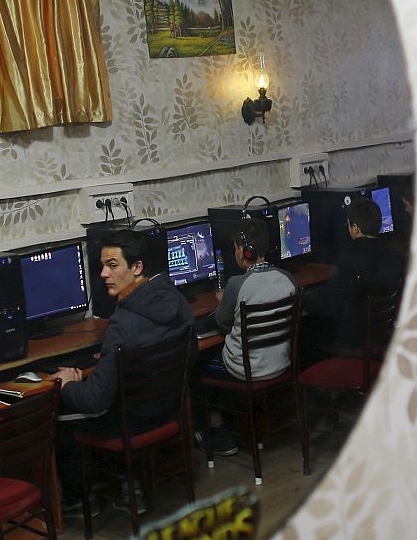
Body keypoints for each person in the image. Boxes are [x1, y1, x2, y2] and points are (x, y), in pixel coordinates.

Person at [50, 231, 194, 506]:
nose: (103, 273)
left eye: (112, 265)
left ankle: (77, 502)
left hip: (133, 423)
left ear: (137, 267)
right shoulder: (178, 301)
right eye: (102, 265)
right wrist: (110, 358)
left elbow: (94, 400)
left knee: (60, 413)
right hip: (168, 410)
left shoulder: (123, 323)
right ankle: (132, 482)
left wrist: (68, 384)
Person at [195, 217, 297, 454]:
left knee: (196, 361)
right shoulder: (287, 278)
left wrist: (223, 300)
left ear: (243, 251)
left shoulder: (236, 284)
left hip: (247, 370)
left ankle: (217, 433)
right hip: (281, 364)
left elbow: (222, 322)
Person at [302, 195, 405, 359]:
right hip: (385, 335)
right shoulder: (395, 254)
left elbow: (332, 299)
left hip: (354, 339)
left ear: (355, 228)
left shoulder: (349, 255)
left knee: (307, 327)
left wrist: (302, 300)